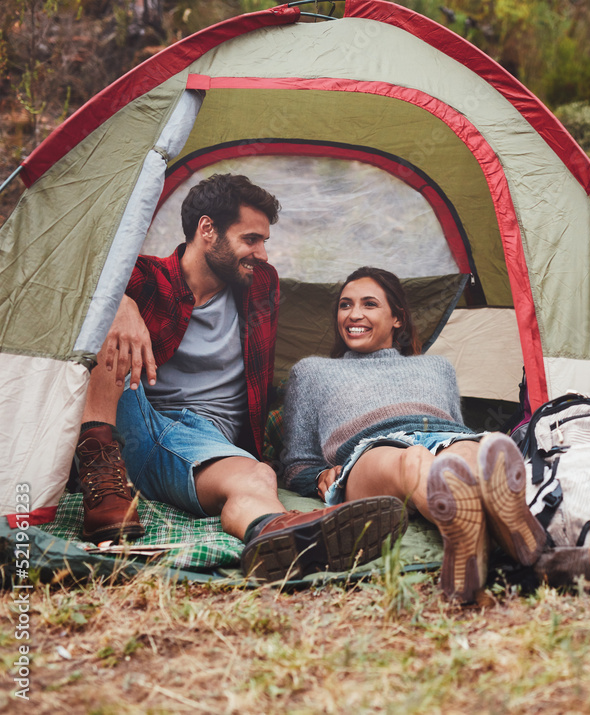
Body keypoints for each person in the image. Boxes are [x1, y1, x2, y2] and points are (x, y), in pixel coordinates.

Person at [73, 174, 406, 581]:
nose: (262, 253)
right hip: (140, 424)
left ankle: (280, 536)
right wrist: (120, 302)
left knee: (257, 475)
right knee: (103, 316)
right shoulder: (148, 279)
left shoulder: (260, 283)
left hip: (205, 439)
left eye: (264, 240)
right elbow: (70, 273)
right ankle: (101, 477)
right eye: (251, 239)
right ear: (207, 230)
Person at [280, 266, 547, 603]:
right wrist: (318, 475)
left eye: (369, 304)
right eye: (345, 305)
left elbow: (454, 428)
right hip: (371, 451)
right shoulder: (312, 372)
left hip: (444, 437)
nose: (354, 314)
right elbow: (295, 464)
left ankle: (486, 518)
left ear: (397, 319)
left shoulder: (437, 367)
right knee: (414, 461)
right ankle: (474, 524)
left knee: (465, 456)